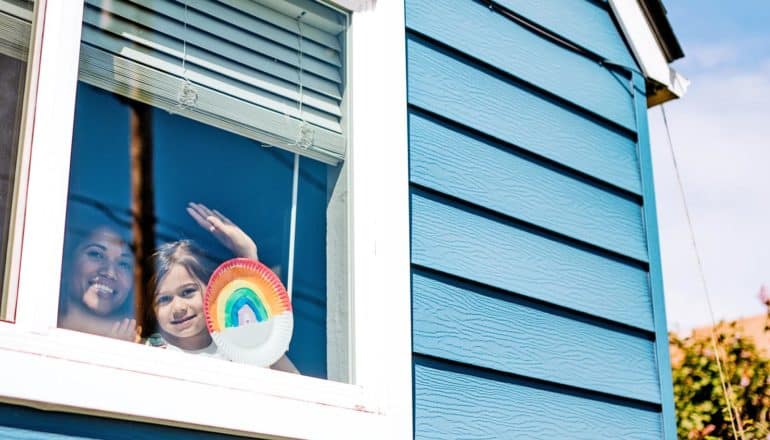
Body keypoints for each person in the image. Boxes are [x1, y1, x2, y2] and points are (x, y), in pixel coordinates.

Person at [144, 202, 297, 373]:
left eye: (188, 292)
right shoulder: (145, 352)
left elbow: (296, 385)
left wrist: (249, 257)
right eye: (164, 299)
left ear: (213, 291)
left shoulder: (237, 350)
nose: (178, 307)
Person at [58, 223, 138, 341]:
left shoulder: (145, 344)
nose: (110, 273)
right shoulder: (37, 324)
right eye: (96, 254)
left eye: (123, 264)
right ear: (68, 261)